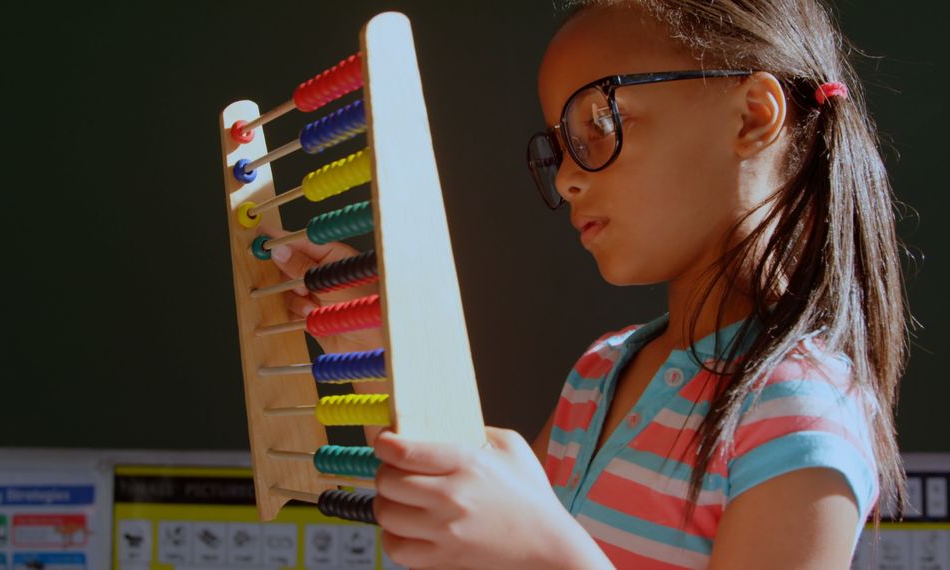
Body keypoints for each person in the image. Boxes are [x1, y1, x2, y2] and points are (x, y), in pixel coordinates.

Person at [264, 0, 909, 567]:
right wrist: (366, 331)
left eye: (600, 123)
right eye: (559, 148)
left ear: (751, 117)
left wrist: (543, 553)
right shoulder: (600, 374)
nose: (568, 178)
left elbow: (525, 551)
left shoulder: (797, 413)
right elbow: (468, 531)